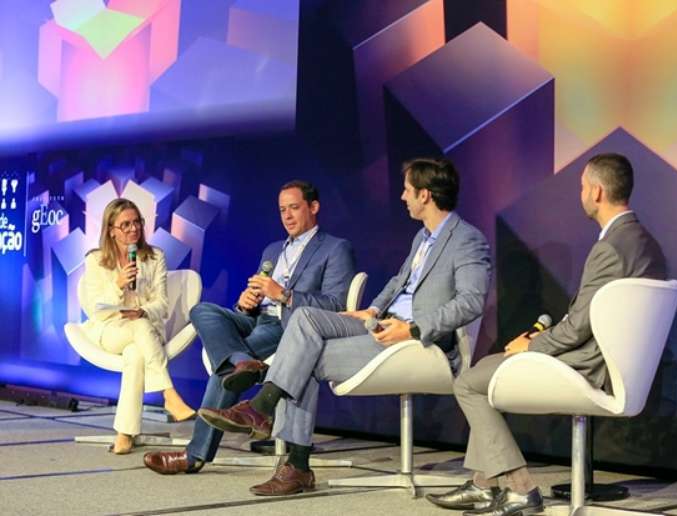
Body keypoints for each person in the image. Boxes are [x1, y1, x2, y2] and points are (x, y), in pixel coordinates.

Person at [197, 157, 491, 496]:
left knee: (303, 354)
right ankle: (268, 421)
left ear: (425, 194)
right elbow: (398, 283)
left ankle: (286, 447)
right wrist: (372, 309)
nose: (402, 196)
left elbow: (471, 302)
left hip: (420, 341)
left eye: (407, 190)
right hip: (382, 325)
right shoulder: (422, 238)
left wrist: (411, 329)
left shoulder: (466, 239)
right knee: (304, 319)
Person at [426, 153, 667, 516]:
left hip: (590, 365)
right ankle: (484, 483)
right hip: (610, 359)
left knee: (469, 383)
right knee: (487, 370)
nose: (580, 194)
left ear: (597, 192)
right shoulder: (644, 242)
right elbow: (592, 317)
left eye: (582, 187)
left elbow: (580, 327)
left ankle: (519, 487)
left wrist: (533, 345)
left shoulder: (611, 248)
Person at [143, 180, 355, 474]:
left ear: (314, 207)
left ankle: (195, 454)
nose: (287, 216)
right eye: (282, 210)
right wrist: (246, 303)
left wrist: (284, 295)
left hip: (289, 326)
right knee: (201, 310)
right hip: (255, 318)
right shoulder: (273, 249)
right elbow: (255, 299)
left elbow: (335, 305)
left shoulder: (335, 248)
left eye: (294, 208)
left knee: (225, 368)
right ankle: (243, 361)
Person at [81, 198, 195, 454]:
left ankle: (125, 433)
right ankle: (168, 393)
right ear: (111, 230)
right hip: (111, 329)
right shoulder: (96, 260)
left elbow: (162, 304)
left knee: (135, 353)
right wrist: (118, 285)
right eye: (125, 225)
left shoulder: (155, 257)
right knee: (138, 330)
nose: (133, 229)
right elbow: (95, 309)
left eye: (137, 222)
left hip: (146, 330)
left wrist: (142, 311)